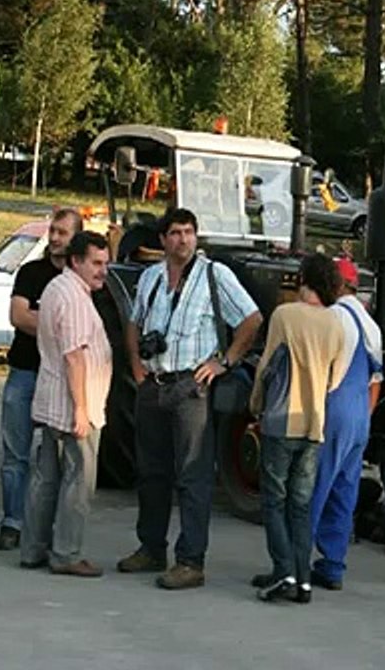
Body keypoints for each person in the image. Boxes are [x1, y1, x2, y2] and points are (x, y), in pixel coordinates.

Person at [118, 208, 262, 590]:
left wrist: (224, 362)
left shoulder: (215, 276)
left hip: (190, 387)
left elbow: (251, 319)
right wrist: (135, 365)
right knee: (150, 472)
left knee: (193, 476)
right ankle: (151, 548)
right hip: (153, 383)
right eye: (175, 233)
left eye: (189, 232)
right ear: (162, 240)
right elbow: (133, 323)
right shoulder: (150, 278)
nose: (183, 239)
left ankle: (190, 560)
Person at [249, 253, 346, 603]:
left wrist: (255, 405)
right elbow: (335, 379)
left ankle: (284, 572)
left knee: (274, 501)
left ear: (302, 278)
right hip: (314, 424)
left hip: (281, 419)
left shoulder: (285, 315)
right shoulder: (337, 323)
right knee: (301, 505)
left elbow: (266, 365)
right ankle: (302, 577)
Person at [19, 232, 112, 577]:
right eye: (97, 263)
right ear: (76, 261)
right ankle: (67, 554)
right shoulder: (73, 297)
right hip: (73, 404)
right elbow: (75, 357)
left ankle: (33, 549)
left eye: (106, 263)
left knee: (46, 477)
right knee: (78, 480)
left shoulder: (58, 288)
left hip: (54, 399)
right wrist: (82, 410)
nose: (103, 271)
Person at [0, 208, 83, 551]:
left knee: (53, 457)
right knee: (15, 454)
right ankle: (11, 523)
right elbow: (18, 316)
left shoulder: (79, 278)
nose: (55, 237)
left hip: (60, 379)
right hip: (25, 373)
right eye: (53, 231)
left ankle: (43, 527)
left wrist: (41, 318)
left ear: (77, 237)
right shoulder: (31, 272)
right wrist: (61, 328)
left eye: (62, 232)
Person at [309, 257, 383, 590]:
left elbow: (320, 371)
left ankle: (294, 562)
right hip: (360, 412)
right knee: (343, 491)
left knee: (312, 487)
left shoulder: (333, 317)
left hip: (334, 407)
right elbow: (376, 380)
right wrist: (363, 418)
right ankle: (333, 565)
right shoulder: (371, 324)